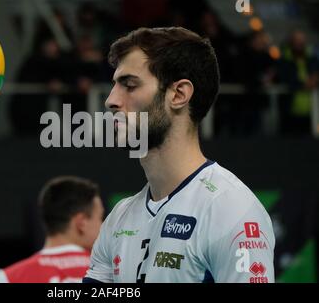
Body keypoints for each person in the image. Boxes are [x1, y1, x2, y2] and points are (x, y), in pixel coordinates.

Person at [83, 26, 275, 283]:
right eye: (114, 85)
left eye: (129, 85)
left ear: (179, 94)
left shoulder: (232, 210)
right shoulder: (119, 218)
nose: (110, 100)